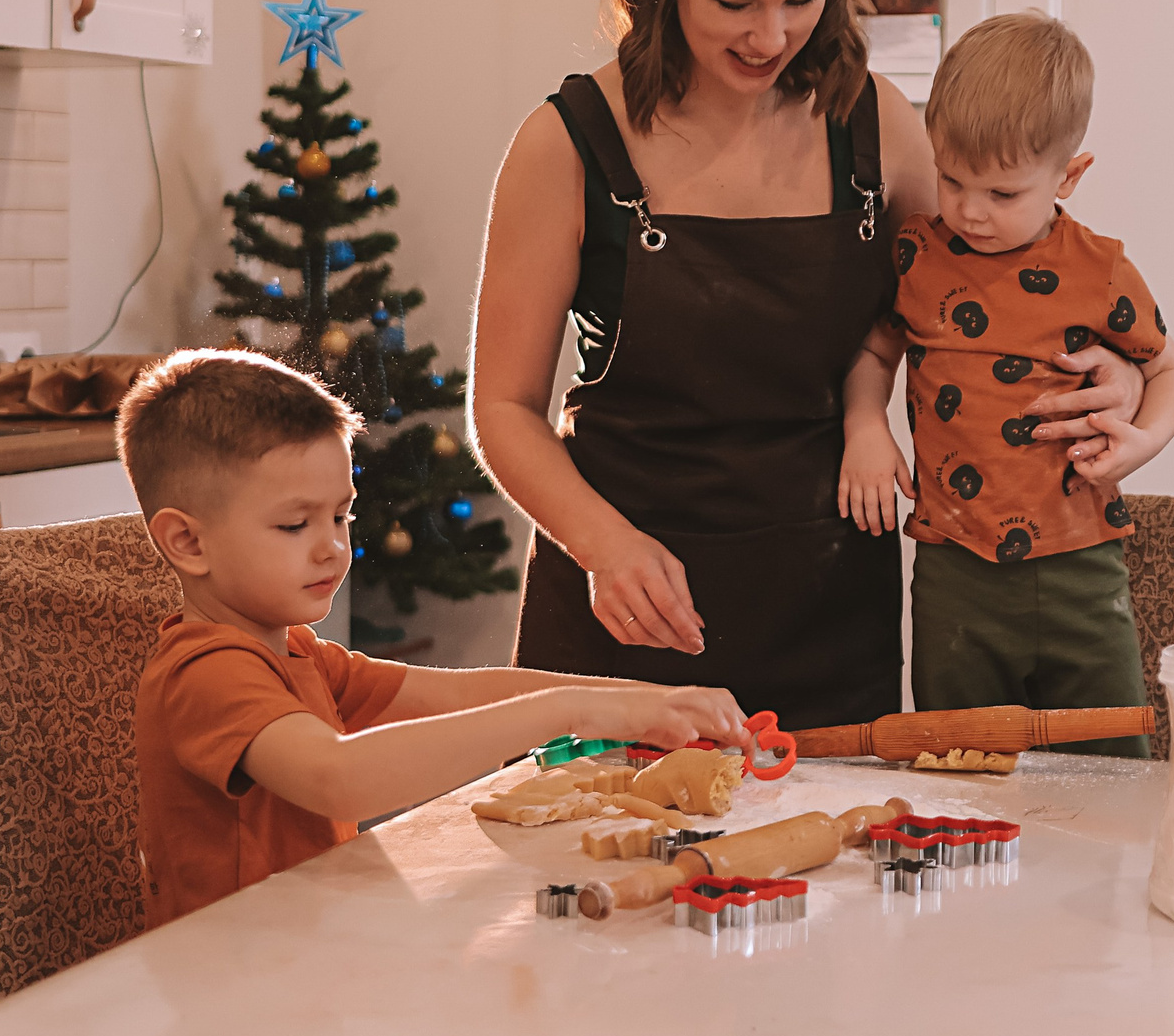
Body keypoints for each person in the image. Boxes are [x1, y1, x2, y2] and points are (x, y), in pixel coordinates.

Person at [468, 0, 1146, 730]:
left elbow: (990, 287)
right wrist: (605, 546)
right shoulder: (569, 142)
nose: (771, 36)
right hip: (625, 607)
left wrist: (1116, 369)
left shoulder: (880, 126)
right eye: (734, 5)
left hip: (828, 605)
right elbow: (503, 409)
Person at [124, 349, 745, 926]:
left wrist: (646, 699)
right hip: (228, 981)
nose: (332, 546)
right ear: (188, 542)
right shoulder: (204, 671)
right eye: (294, 524)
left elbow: (452, 695)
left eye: (342, 514)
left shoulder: (294, 653)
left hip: (308, 947)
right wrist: (574, 710)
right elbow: (340, 776)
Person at [836, 13, 1174, 755]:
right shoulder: (917, 255)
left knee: (1108, 775)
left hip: (1082, 571)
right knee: (961, 771)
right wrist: (864, 425)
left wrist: (1144, 438)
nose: (969, 209)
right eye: (952, 179)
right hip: (954, 574)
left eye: (1002, 193)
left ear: (1069, 175)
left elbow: (1168, 367)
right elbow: (873, 353)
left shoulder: (1100, 268)